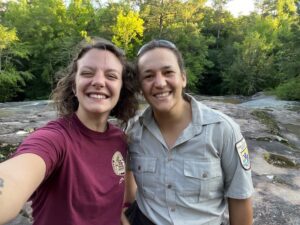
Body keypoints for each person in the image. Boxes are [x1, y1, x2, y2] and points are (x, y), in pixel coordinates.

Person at [0, 37, 139, 225]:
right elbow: (13, 179)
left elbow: (119, 203)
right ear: (74, 86)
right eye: (88, 73)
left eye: (111, 76)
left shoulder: (121, 140)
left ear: (121, 89)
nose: (98, 81)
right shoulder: (55, 139)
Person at [124, 40, 254, 225]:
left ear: (183, 78)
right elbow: (128, 180)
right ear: (140, 86)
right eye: (149, 76)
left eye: (168, 72)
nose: (160, 83)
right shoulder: (133, 130)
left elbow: (240, 198)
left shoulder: (223, 130)